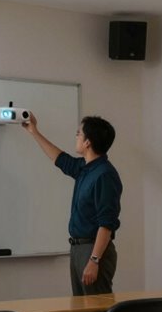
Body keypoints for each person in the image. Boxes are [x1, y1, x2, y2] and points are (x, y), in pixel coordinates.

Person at [22, 112, 122, 295]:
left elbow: (106, 224)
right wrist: (34, 132)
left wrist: (94, 260)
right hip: (78, 248)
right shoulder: (85, 168)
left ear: (87, 142)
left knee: (96, 309)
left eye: (79, 134)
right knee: (82, 310)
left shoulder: (104, 175)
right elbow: (60, 159)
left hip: (93, 250)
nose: (76, 137)